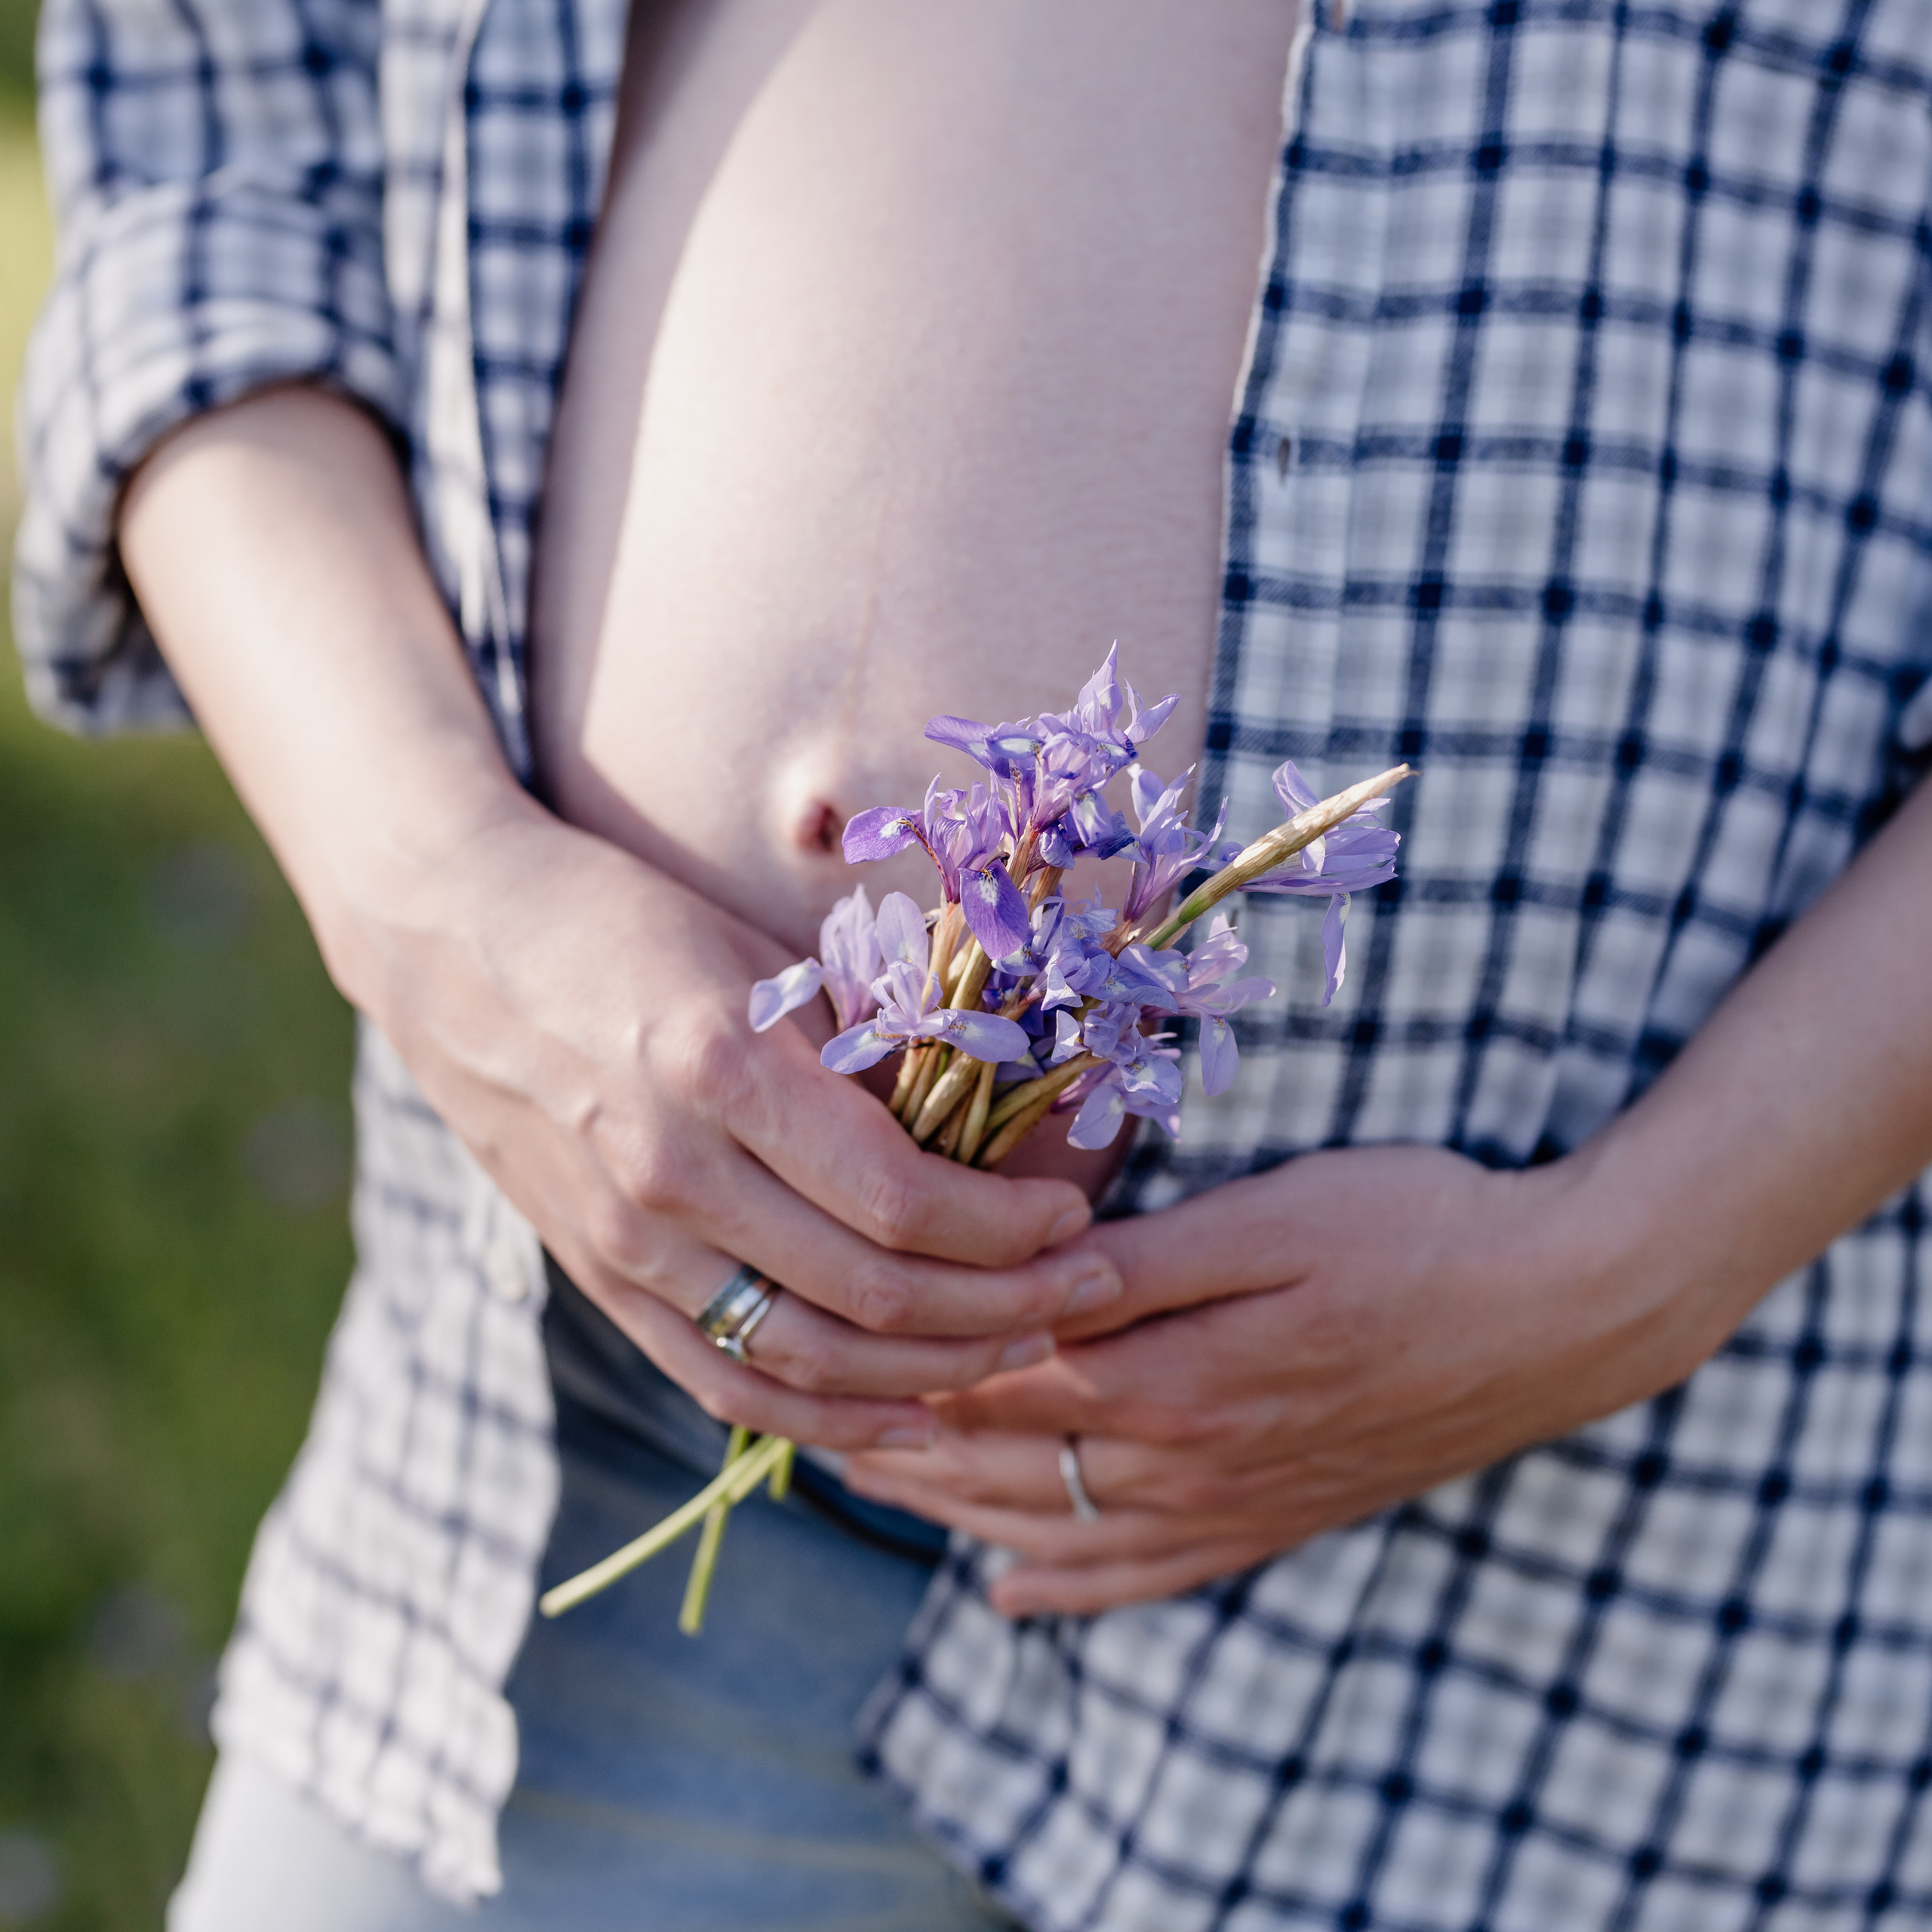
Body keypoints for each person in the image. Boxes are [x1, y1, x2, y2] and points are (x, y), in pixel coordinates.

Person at [15, 0, 1932, 1927]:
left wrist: (1639, 1258)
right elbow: (224, 156)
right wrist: (426, 882)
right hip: (563, 1458)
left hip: (1570, 1608)